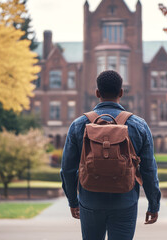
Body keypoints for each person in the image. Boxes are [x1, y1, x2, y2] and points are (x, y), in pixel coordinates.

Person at [61, 70, 161, 240]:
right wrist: (153, 204)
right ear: (121, 93)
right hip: (125, 201)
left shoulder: (78, 125)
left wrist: (73, 201)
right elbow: (149, 170)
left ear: (97, 93)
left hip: (90, 201)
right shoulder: (139, 126)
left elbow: (67, 170)